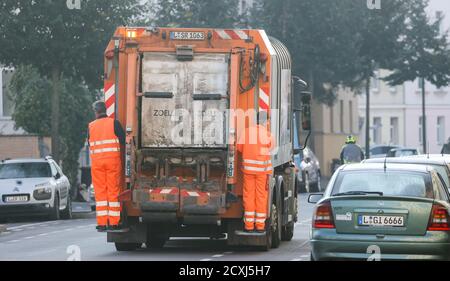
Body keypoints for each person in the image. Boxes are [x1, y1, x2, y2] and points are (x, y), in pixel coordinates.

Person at [88, 101, 125, 231]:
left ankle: (102, 223)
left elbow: (89, 143)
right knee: (113, 191)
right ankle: (114, 222)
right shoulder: (114, 123)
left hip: (97, 164)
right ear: (105, 110)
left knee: (100, 192)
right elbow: (123, 139)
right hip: (112, 162)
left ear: (95, 111)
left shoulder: (91, 126)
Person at [237, 111, 274, 233]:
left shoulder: (246, 132)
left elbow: (239, 148)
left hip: (248, 171)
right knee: (261, 197)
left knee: (248, 196)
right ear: (266, 122)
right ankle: (260, 226)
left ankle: (248, 226)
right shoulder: (268, 135)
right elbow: (272, 149)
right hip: (262, 173)